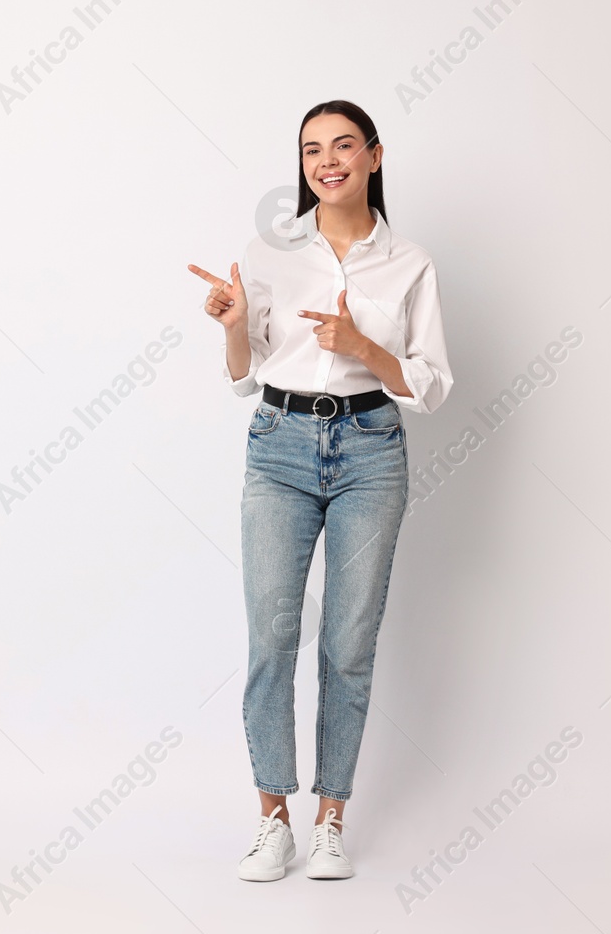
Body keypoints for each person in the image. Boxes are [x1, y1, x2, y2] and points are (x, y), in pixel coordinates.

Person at [187, 100, 452, 881]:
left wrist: (362, 344)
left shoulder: (409, 262)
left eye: (342, 146)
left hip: (372, 449)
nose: (326, 160)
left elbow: (431, 387)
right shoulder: (270, 251)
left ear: (373, 156)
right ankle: (274, 821)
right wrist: (234, 321)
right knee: (273, 636)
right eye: (311, 149)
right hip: (279, 447)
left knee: (348, 644)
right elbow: (243, 376)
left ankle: (331, 818)